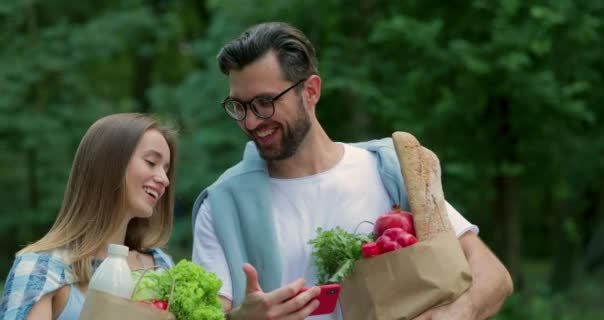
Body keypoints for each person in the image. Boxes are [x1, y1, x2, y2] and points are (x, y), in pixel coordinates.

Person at [192, 22, 513, 320]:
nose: (250, 122)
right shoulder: (221, 207)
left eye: (264, 102)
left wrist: (458, 312)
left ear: (311, 91)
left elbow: (493, 275)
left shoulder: (389, 171)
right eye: (239, 106)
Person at [0, 113, 177, 320]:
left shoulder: (159, 267)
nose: (164, 179)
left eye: (166, 170)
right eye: (151, 162)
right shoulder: (41, 269)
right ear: (109, 164)